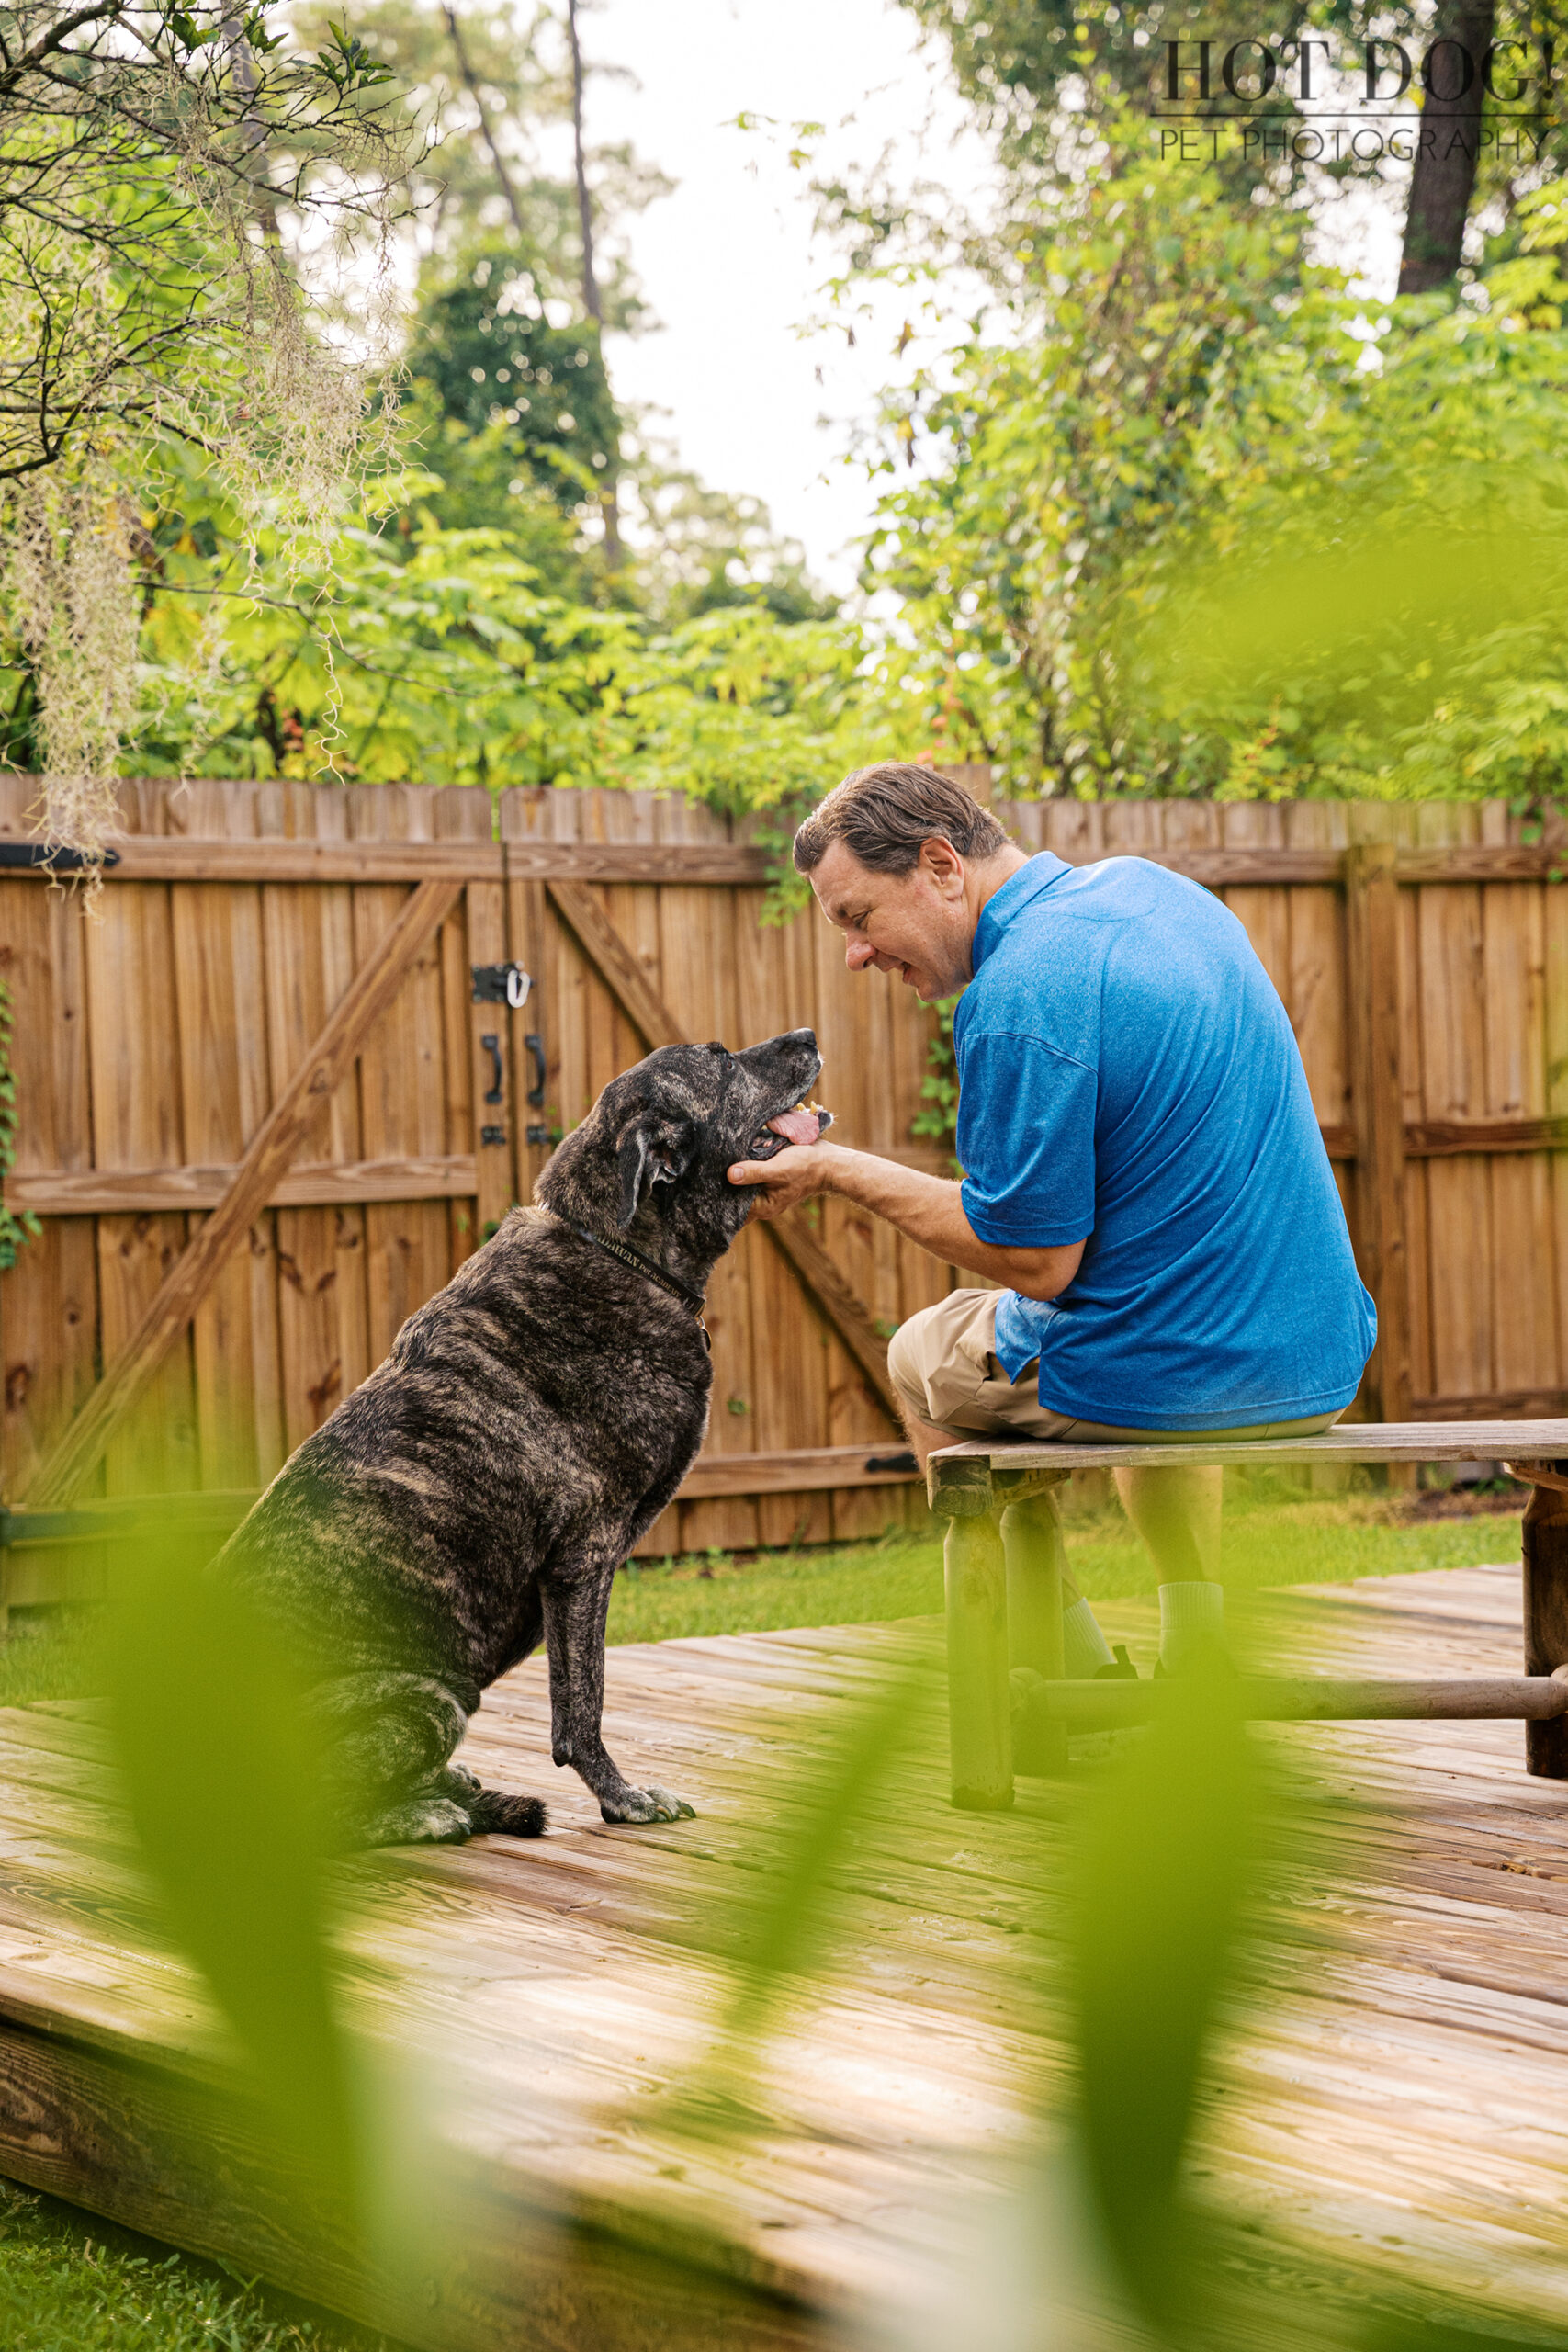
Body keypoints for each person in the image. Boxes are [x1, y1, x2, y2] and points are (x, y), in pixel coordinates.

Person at [727, 763, 1376, 1677]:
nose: (855, 954)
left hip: (1181, 1368)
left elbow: (1035, 1260)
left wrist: (838, 1166)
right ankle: (1199, 1657)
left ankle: (1063, 1675)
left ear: (941, 864)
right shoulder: (1164, 898)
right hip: (1318, 1351)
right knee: (1147, 1319)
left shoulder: (1022, 992)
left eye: (857, 916)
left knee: (922, 1356)